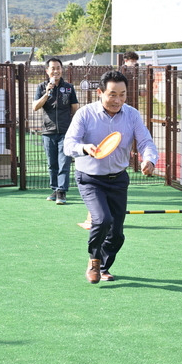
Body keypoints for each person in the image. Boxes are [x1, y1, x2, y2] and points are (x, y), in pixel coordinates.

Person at [64, 70, 158, 284]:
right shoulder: (85, 114)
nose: (118, 100)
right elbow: (68, 145)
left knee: (116, 233)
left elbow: (145, 142)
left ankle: (104, 266)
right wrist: (84, 147)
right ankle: (94, 261)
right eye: (112, 94)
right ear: (100, 92)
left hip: (118, 179)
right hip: (90, 178)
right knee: (102, 219)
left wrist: (149, 160)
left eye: (123, 95)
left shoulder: (132, 114)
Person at [33, 57, 79, 205]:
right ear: (47, 71)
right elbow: (35, 107)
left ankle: (62, 191)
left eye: (58, 68)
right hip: (48, 131)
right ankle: (55, 189)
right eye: (52, 68)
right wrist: (47, 93)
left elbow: (74, 108)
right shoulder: (41, 87)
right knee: (52, 164)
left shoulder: (69, 87)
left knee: (64, 162)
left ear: (62, 69)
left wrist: (71, 125)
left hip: (66, 131)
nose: (56, 71)